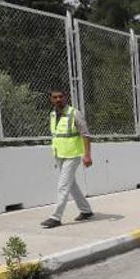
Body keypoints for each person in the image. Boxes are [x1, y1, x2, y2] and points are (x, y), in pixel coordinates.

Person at [41, 89, 94, 228]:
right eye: (55, 97)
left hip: (73, 154)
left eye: (60, 97)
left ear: (65, 98)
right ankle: (86, 210)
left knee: (63, 185)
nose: (58, 99)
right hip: (59, 154)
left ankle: (56, 217)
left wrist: (87, 155)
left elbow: (86, 135)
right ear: (51, 100)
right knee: (71, 184)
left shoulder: (74, 113)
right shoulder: (52, 115)